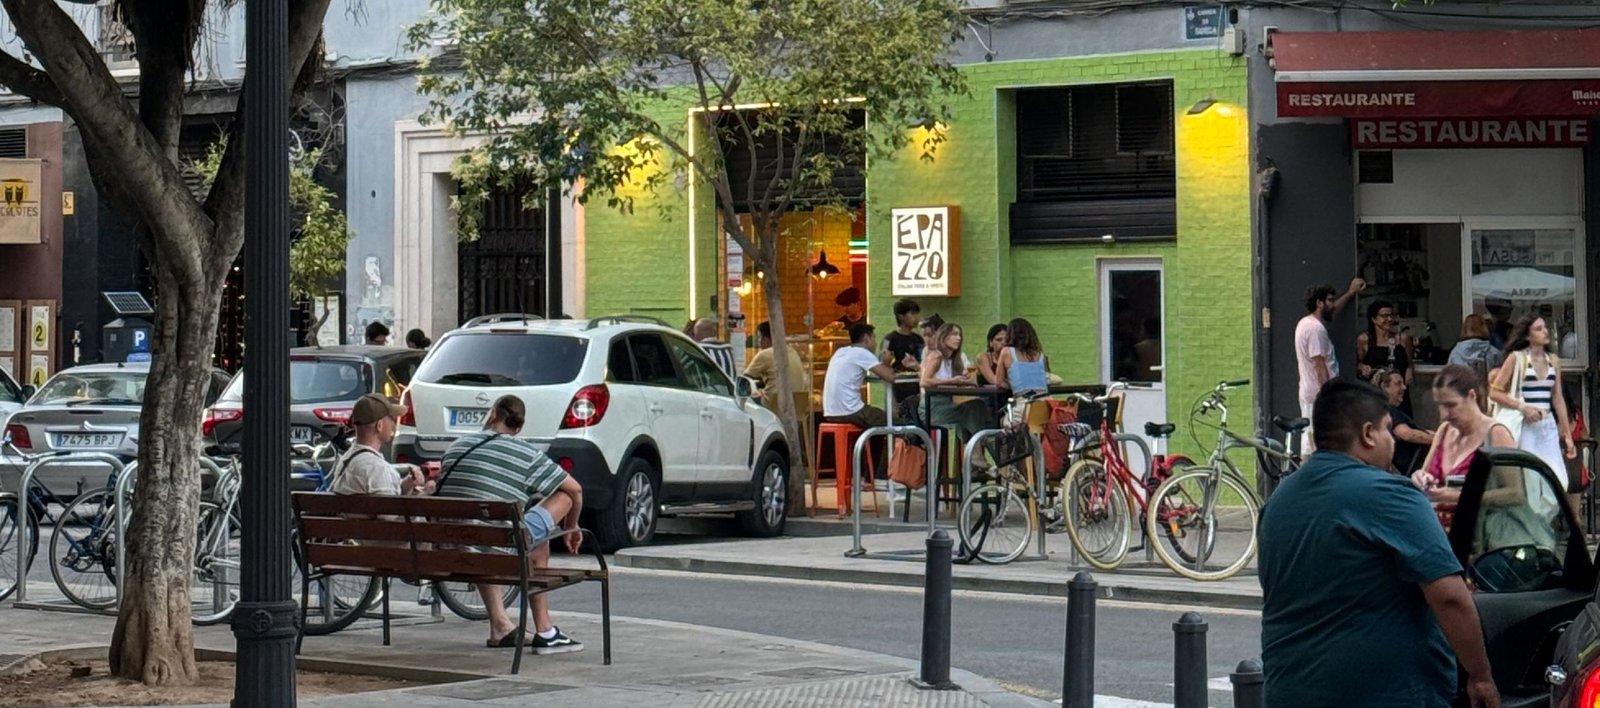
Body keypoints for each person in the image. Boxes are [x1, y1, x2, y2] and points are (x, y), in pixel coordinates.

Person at [1260, 378, 1499, 708]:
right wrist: (1480, 676)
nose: (1391, 440)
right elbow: (1450, 597)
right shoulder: (1391, 494)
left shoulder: (1278, 501)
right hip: (1380, 695)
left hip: (1287, 693)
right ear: (1368, 434)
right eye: (1388, 429)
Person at [436, 395, 585, 653]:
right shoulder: (525, 453)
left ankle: (500, 626)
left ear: (493, 414)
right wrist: (571, 527)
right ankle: (545, 630)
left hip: (450, 544)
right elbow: (576, 490)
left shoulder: (456, 447)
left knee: (487, 532)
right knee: (552, 516)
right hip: (492, 545)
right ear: (519, 426)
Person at [1411, 365, 1516, 529]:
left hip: (1478, 535)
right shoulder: (1444, 430)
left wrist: (1459, 497)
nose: (1444, 414)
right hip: (1437, 533)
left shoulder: (1496, 433)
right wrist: (1419, 477)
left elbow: (1515, 494)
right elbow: (1425, 473)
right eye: (1439, 405)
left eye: (1451, 405)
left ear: (1471, 396)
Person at [1490, 315, 1577, 491]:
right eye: (1538, 329)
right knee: (1530, 479)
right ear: (1527, 336)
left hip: (1547, 424)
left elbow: (1557, 398)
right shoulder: (1517, 358)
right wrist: (1522, 407)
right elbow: (1494, 392)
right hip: (1525, 424)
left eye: (1544, 328)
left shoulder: (1553, 360)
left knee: (1558, 479)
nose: (1544, 332)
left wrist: (1567, 435)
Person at [822, 323, 899, 470]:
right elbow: (889, 377)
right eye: (874, 338)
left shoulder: (840, 352)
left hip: (831, 412)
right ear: (866, 338)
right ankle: (882, 474)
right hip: (851, 411)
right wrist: (887, 363)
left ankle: (869, 472)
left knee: (877, 423)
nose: (875, 342)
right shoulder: (862, 353)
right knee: (894, 422)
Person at [1295, 279, 1364, 440]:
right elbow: (1319, 364)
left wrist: (1350, 293)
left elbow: (1332, 311)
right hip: (1318, 395)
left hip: (1310, 392)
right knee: (1316, 440)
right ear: (1319, 303)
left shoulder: (1305, 323)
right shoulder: (1315, 329)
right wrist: (1327, 394)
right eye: (1330, 300)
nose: (1333, 304)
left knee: (1311, 438)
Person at [327, 393, 431, 496]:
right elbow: (389, 506)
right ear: (379, 426)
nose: (393, 424)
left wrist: (407, 484)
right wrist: (425, 493)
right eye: (391, 419)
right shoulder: (378, 469)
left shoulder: (346, 458)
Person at [920, 323, 993, 441]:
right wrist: (951, 381)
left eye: (959, 335)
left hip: (949, 403)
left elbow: (957, 383)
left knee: (979, 405)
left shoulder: (955, 360)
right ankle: (982, 443)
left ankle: (976, 444)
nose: (958, 338)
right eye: (954, 334)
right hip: (932, 407)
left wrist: (967, 381)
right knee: (972, 409)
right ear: (943, 337)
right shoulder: (936, 356)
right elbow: (924, 382)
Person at [1357, 300, 1415, 415]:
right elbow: (1357, 363)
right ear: (1374, 319)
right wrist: (1362, 367)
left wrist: (1409, 371)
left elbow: (1409, 363)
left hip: (1398, 391)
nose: (1389, 319)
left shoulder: (1402, 339)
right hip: (1374, 392)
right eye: (1384, 316)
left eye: (1391, 315)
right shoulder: (1364, 340)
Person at [1373, 368, 1433, 475]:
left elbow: (1420, 432)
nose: (1404, 387)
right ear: (1385, 387)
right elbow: (1407, 434)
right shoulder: (1388, 411)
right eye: (1398, 384)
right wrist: (1440, 439)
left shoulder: (1391, 411)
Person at [744, 321, 808, 419]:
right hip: (797, 406)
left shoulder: (764, 354)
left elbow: (744, 378)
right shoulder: (792, 351)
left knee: (747, 402)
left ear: (766, 339)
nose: (758, 342)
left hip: (774, 405)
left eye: (759, 337)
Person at [1448, 314, 1501, 384]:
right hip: (1486, 389)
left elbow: (1448, 377)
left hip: (1461, 389)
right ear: (1484, 328)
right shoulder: (1494, 353)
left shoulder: (1455, 353)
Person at [880, 298, 924, 372]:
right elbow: (882, 362)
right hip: (896, 378)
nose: (916, 318)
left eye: (917, 314)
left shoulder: (918, 339)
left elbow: (923, 360)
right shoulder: (889, 339)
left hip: (916, 377)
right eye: (912, 314)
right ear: (901, 317)